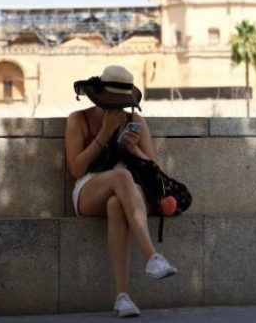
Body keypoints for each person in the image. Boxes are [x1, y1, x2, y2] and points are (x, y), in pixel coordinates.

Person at [66, 65, 177, 318]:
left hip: (129, 193)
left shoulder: (135, 121)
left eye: (121, 102)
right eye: (111, 101)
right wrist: (104, 132)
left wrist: (133, 148)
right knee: (121, 175)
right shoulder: (78, 119)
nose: (117, 107)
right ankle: (151, 255)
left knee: (117, 204)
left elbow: (154, 169)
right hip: (89, 188)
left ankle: (122, 297)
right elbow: (76, 168)